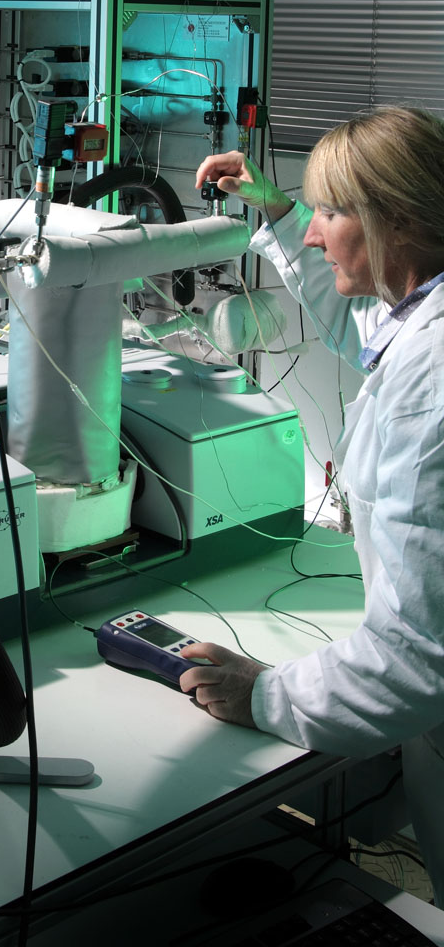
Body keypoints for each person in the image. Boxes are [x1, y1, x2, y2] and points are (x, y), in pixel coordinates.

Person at [180, 106, 444, 904]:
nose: (317, 232)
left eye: (331, 212)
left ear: (399, 222)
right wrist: (278, 210)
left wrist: (265, 694)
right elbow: (366, 325)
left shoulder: (431, 386)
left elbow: (418, 655)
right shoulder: (421, 319)